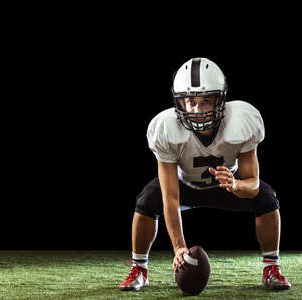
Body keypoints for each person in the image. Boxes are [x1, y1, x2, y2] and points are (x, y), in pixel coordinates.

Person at [118, 57, 291, 291]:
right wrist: (179, 246)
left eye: (206, 101)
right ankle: (139, 269)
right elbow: (170, 197)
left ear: (220, 100)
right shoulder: (166, 127)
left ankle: (271, 267)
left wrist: (235, 185)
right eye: (191, 102)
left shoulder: (241, 121)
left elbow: (254, 184)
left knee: (267, 198)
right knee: (147, 199)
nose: (197, 110)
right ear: (180, 102)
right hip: (184, 185)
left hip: (225, 184)